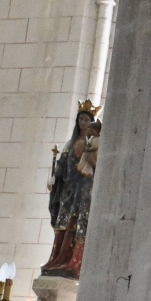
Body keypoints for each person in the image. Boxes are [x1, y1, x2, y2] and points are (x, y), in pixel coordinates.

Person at [42, 99, 101, 279]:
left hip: (83, 188)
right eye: (81, 119)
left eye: (86, 120)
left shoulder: (93, 143)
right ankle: (57, 259)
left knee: (78, 223)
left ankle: (73, 262)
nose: (83, 123)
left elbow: (93, 164)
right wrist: (55, 176)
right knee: (63, 222)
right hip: (68, 189)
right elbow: (62, 164)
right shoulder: (71, 142)